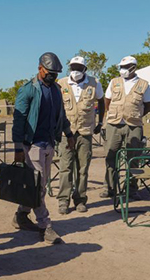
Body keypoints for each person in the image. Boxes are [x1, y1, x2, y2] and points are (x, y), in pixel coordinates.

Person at [12, 52, 75, 244]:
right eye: (49, 72)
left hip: (49, 143)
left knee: (38, 186)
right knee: (38, 187)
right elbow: (19, 119)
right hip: (32, 145)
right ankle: (45, 226)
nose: (53, 76)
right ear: (40, 68)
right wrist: (17, 148)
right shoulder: (28, 90)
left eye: (55, 73)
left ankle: (21, 215)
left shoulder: (56, 90)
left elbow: (61, 115)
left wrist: (69, 133)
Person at [56, 56, 105, 214]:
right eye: (73, 67)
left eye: (79, 68)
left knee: (83, 168)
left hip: (84, 132)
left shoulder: (94, 83)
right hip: (66, 132)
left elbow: (102, 102)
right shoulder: (61, 84)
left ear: (85, 69)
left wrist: (100, 123)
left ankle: (80, 199)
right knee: (65, 168)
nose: (75, 71)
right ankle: (63, 200)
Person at [101, 56, 150, 199]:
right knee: (110, 155)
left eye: (125, 67)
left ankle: (132, 188)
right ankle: (109, 187)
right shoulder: (114, 82)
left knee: (133, 158)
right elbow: (107, 101)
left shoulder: (143, 84)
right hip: (114, 124)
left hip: (134, 125)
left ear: (133, 67)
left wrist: (136, 114)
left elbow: (149, 105)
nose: (122, 70)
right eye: (121, 67)